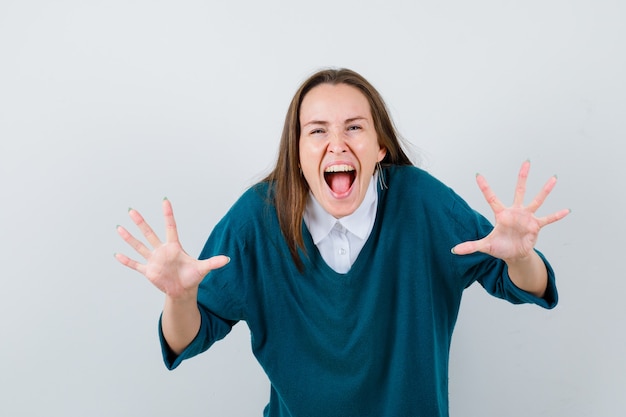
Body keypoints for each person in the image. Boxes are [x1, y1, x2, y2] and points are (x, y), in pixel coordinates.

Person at [115, 68, 569, 417]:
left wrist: (522, 258)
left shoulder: (422, 202)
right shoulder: (256, 219)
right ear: (296, 150)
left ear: (379, 148)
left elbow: (524, 284)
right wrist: (181, 297)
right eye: (317, 130)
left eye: (354, 128)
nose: (336, 144)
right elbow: (188, 338)